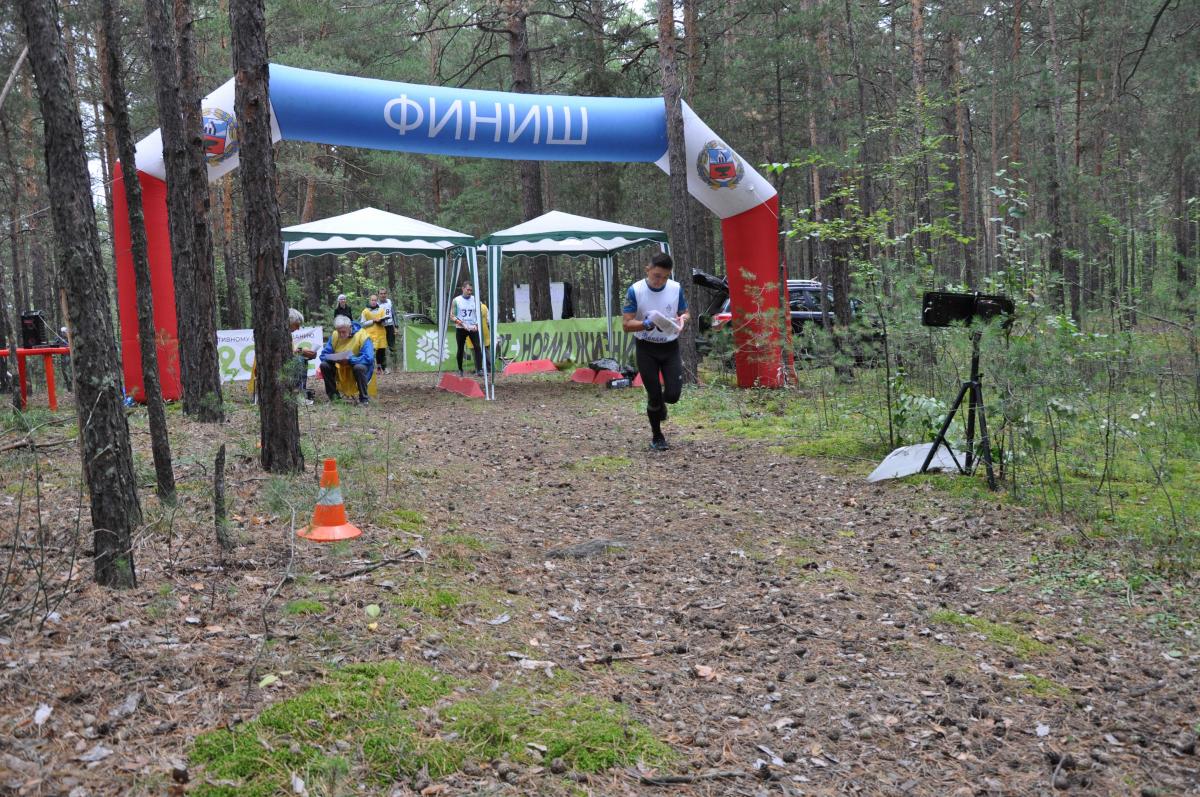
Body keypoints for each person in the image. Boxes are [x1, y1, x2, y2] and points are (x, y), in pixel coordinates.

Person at [621, 252, 689, 451]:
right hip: (646, 348)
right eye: (657, 275)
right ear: (647, 270)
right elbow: (626, 324)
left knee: (673, 395)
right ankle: (657, 436)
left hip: (670, 347)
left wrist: (683, 319)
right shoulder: (635, 290)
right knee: (653, 395)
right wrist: (645, 324)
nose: (660, 281)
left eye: (665, 277)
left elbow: (685, 312)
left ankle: (662, 403)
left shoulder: (675, 288)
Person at [319, 315, 375, 404]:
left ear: (350, 327)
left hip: (356, 366)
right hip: (340, 367)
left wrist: (350, 360)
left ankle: (364, 399)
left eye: (343, 332)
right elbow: (323, 355)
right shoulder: (335, 335)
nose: (341, 335)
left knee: (359, 367)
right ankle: (334, 398)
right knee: (324, 365)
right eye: (339, 332)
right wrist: (335, 359)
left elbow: (369, 357)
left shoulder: (362, 335)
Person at [451, 280, 484, 376]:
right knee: (460, 349)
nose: (469, 292)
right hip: (461, 327)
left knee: (477, 347)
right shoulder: (456, 300)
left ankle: (479, 369)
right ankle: (460, 369)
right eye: (468, 290)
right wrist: (461, 323)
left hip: (472, 327)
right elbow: (452, 316)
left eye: (471, 290)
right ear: (463, 289)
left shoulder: (475, 299)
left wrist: (477, 325)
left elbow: (479, 314)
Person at [288, 308, 317, 405]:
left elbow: (291, 351)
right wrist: (301, 351)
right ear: (290, 322)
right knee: (299, 360)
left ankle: (301, 393)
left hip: (285, 363)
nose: (298, 328)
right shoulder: (279, 333)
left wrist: (307, 353)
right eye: (296, 325)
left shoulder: (288, 335)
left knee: (303, 359)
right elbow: (282, 353)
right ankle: (297, 395)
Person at [360, 293, 389, 373]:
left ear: (377, 301)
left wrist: (381, 321)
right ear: (370, 301)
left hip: (380, 334)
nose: (373, 302)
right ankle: (369, 369)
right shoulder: (365, 311)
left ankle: (382, 368)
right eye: (372, 300)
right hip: (369, 335)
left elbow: (385, 323)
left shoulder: (381, 310)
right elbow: (362, 324)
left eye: (375, 300)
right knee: (370, 352)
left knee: (381, 352)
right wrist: (373, 321)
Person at [378, 288, 396, 365]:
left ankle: (395, 365)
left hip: (390, 326)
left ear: (386, 294)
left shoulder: (389, 301)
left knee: (392, 345)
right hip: (381, 327)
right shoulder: (376, 304)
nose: (383, 295)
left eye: (384, 293)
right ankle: (382, 366)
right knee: (381, 347)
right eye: (381, 293)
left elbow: (394, 314)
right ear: (378, 295)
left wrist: (396, 326)